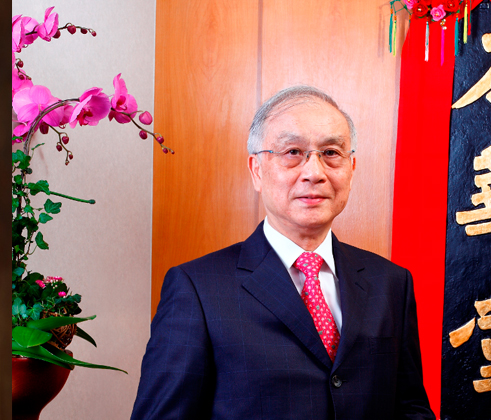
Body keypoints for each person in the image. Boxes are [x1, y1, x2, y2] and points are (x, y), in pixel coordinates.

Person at [131, 86, 435, 420]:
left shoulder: (390, 282)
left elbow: (410, 409)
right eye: (293, 152)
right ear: (257, 170)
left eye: (331, 152)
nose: (314, 173)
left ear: (351, 168)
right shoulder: (197, 289)